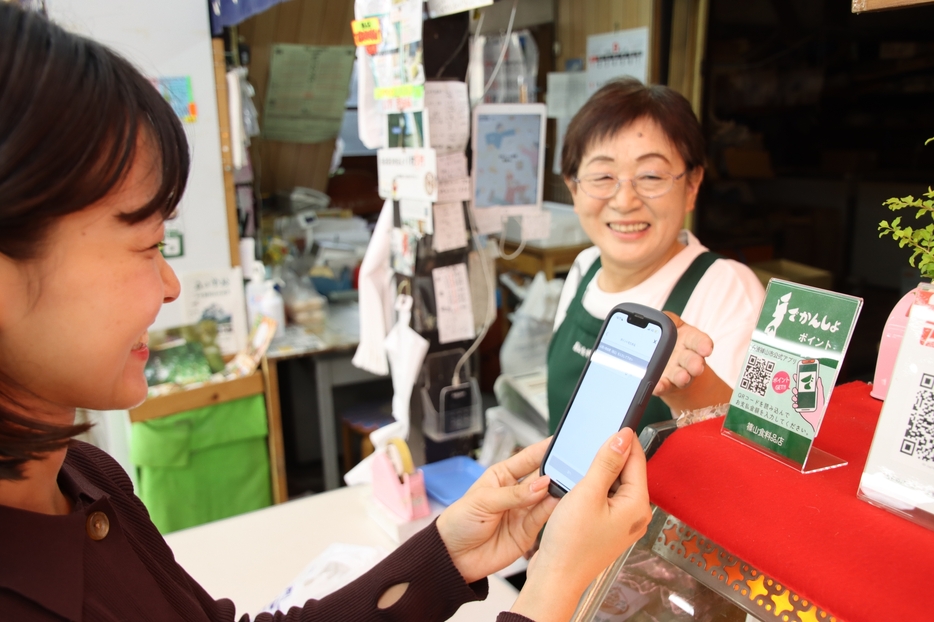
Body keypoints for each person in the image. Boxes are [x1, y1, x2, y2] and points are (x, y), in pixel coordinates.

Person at [0, 5, 652, 621]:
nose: (169, 286)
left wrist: (449, 551)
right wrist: (552, 587)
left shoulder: (85, 478)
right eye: (146, 244)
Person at [548, 78, 766, 435]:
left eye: (650, 175)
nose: (624, 200)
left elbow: (750, 446)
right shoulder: (586, 266)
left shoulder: (727, 288)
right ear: (574, 187)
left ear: (692, 185)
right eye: (603, 175)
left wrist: (688, 384)